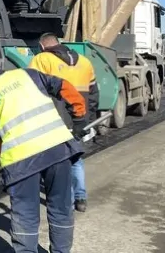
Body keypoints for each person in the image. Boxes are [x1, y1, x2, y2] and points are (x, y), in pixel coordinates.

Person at [0, 54, 86, 253]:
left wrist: (7, 169)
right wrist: (79, 118)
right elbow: (64, 87)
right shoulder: (29, 74)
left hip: (21, 161)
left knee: (25, 214)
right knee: (61, 208)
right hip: (57, 149)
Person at [29, 33, 99, 213]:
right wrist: (85, 120)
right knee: (76, 159)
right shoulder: (84, 62)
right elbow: (93, 94)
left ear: (42, 46)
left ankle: (65, 202)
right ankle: (81, 198)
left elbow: (31, 89)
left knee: (59, 163)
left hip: (54, 121)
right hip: (78, 120)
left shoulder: (42, 60)